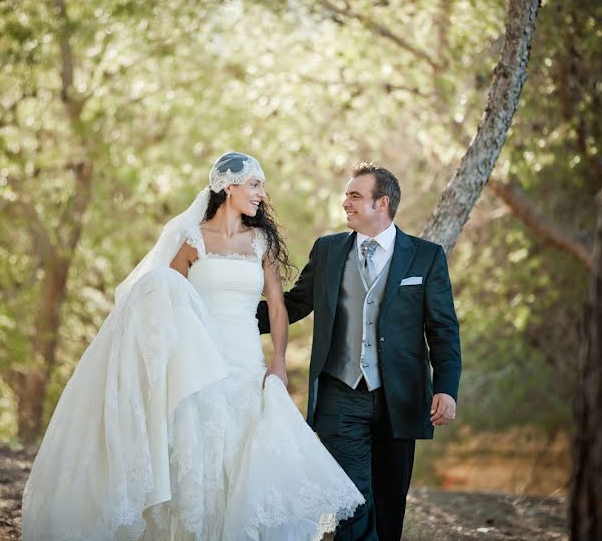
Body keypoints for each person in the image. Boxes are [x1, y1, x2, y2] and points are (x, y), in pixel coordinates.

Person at [22, 152, 364, 541]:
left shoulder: (261, 242)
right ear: (227, 187)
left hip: (247, 361)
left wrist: (279, 362)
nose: (261, 195)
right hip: (200, 360)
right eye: (255, 185)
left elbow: (278, 307)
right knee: (199, 454)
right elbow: (162, 304)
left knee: (243, 456)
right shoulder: (191, 241)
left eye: (261, 186)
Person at [256, 163, 462, 541]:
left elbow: (443, 328)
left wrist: (446, 387)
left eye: (354, 196)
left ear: (381, 203)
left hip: (399, 397)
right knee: (350, 500)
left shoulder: (425, 257)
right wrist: (231, 318)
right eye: (347, 195)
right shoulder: (329, 250)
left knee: (388, 499)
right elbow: (295, 304)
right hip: (340, 394)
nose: (345, 203)